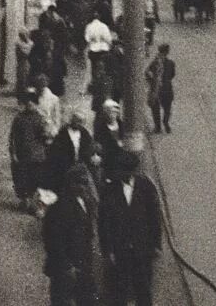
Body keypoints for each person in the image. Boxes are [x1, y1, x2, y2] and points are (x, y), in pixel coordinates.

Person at [99, 151, 163, 306]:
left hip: (142, 248)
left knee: (143, 289)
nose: (124, 174)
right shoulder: (109, 190)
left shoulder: (146, 187)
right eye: (121, 170)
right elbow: (103, 222)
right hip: (120, 250)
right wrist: (108, 250)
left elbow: (155, 218)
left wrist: (156, 245)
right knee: (120, 290)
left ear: (134, 171)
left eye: (128, 171)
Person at [43, 164, 99, 306]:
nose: (81, 187)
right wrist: (67, 266)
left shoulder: (87, 203)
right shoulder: (59, 208)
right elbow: (52, 241)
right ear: (69, 184)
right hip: (65, 267)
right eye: (77, 182)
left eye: (85, 183)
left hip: (83, 264)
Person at [9, 90, 49, 210]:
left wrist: (46, 131)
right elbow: (12, 137)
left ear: (36, 104)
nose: (30, 104)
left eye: (33, 102)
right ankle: (24, 200)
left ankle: (31, 201)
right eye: (28, 102)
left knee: (34, 178)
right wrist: (13, 153)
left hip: (37, 155)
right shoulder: (19, 118)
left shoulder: (40, 118)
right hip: (22, 154)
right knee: (21, 178)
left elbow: (45, 137)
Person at [49, 109, 96, 193]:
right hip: (65, 168)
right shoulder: (63, 133)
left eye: (81, 122)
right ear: (72, 120)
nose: (79, 124)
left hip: (80, 166)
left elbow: (90, 147)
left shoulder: (84, 133)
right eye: (77, 121)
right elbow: (56, 151)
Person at [146, 44, 176, 133]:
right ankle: (166, 122)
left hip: (156, 89)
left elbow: (147, 72)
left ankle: (157, 127)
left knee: (155, 109)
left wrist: (152, 80)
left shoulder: (155, 62)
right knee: (167, 108)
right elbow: (172, 75)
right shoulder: (171, 63)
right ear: (167, 52)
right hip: (167, 89)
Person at [94, 99, 125, 180]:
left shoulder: (122, 125)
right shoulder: (100, 128)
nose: (112, 115)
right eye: (109, 112)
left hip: (122, 159)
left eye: (114, 112)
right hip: (109, 161)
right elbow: (98, 144)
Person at [83, 13, 113, 95]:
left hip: (93, 50)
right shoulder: (104, 26)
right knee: (104, 68)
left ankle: (95, 85)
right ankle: (103, 85)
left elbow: (87, 39)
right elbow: (108, 39)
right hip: (103, 49)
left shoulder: (89, 26)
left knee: (94, 69)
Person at [35, 73, 62, 139]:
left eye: (42, 85)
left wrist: (55, 131)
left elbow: (56, 117)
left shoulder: (53, 98)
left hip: (47, 130)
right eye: (39, 85)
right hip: (34, 128)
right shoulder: (32, 96)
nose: (40, 87)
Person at [15, 30, 35, 97]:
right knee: (22, 80)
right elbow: (24, 54)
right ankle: (21, 96)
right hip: (22, 63)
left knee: (29, 81)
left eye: (25, 34)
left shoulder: (30, 43)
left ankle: (28, 96)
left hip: (29, 63)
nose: (24, 36)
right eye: (22, 35)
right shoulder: (19, 44)